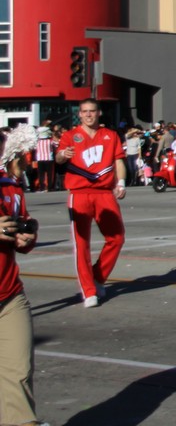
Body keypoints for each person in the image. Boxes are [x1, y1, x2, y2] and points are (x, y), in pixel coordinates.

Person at [55, 98, 127, 306]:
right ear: (79, 114)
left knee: (116, 238)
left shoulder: (110, 135)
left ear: (99, 113)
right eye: (84, 111)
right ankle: (88, 291)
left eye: (92, 111)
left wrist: (121, 183)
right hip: (79, 193)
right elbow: (59, 158)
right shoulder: (70, 136)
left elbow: (118, 161)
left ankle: (98, 277)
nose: (88, 115)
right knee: (81, 244)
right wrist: (63, 154)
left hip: (104, 193)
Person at [1, 128, 43, 426]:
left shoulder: (11, 189)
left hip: (9, 296)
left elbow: (21, 232)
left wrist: (26, 238)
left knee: (19, 376)